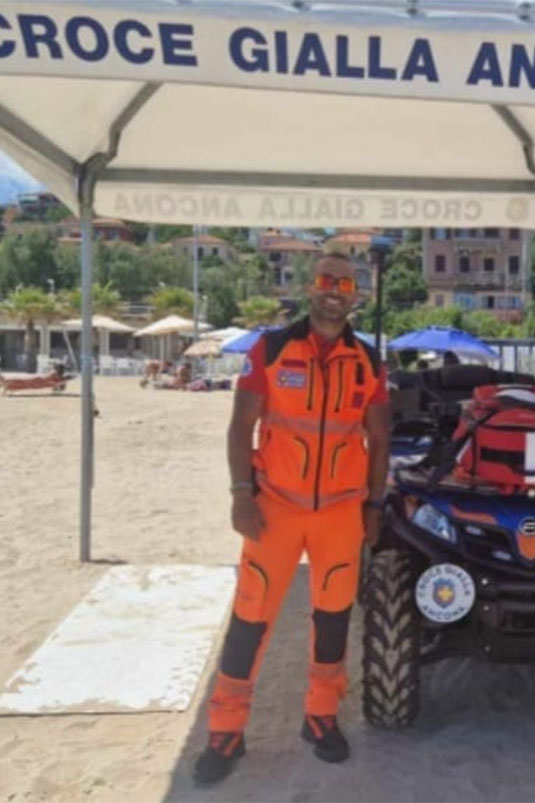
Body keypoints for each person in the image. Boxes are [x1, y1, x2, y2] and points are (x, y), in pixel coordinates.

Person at [193, 253, 391, 786]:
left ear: (356, 294)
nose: (334, 290)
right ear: (311, 287)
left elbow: (380, 440)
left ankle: (321, 716)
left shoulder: (369, 361)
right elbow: (241, 426)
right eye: (326, 280)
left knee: (331, 620)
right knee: (251, 617)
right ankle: (225, 730)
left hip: (341, 514)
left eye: (344, 283)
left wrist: (375, 504)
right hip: (275, 508)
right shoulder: (272, 348)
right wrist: (240, 494)